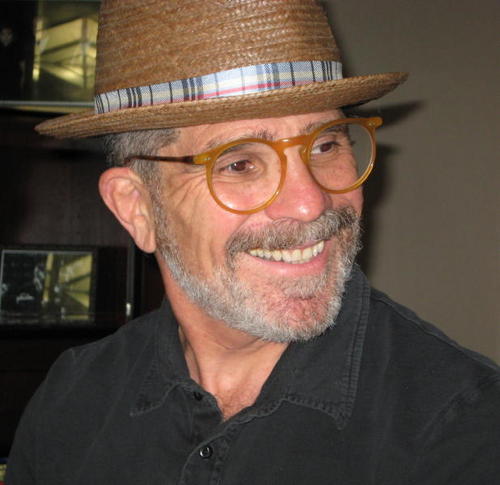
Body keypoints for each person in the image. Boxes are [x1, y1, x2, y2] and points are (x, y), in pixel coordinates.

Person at [6, 0, 499, 483]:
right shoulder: (73, 401)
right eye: (239, 164)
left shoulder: (463, 429)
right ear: (137, 208)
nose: (311, 204)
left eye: (327, 144)